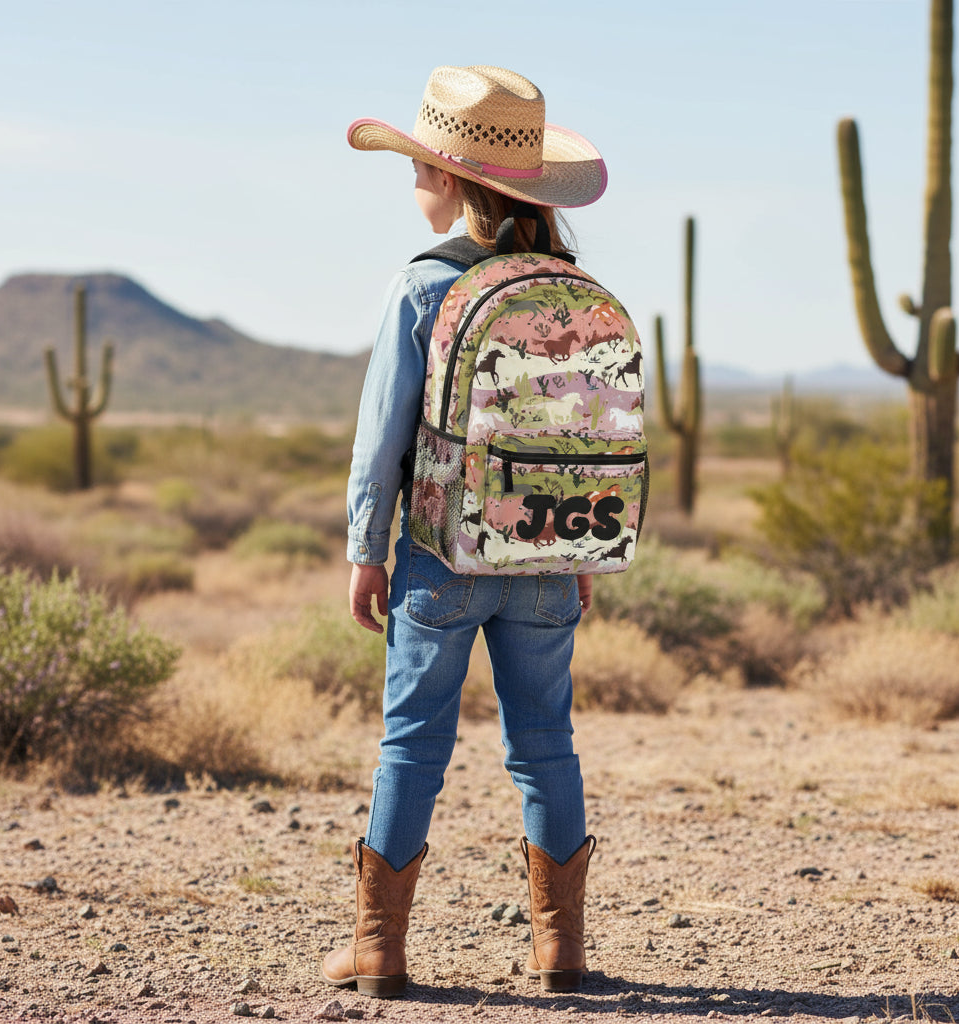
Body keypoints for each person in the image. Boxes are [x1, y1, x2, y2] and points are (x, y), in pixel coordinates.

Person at [323, 64, 608, 999]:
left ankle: (379, 949)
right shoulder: (570, 285)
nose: (413, 183)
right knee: (546, 742)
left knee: (411, 743)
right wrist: (580, 547)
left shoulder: (424, 284)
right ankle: (559, 950)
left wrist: (367, 547)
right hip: (545, 556)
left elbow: (382, 433)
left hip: (440, 552)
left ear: (449, 181)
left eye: (418, 167)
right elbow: (591, 432)